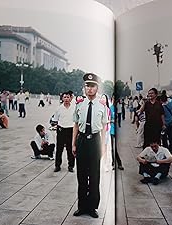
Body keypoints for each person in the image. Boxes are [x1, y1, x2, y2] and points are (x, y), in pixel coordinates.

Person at [72, 73, 108, 218]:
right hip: (81, 140)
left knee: (94, 175)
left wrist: (104, 146)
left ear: (97, 88)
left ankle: (92, 207)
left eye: (92, 86)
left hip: (95, 141)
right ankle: (82, 206)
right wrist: (73, 144)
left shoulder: (102, 105)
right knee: (81, 175)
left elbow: (104, 127)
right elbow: (75, 125)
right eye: (87, 86)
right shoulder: (79, 104)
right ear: (84, 88)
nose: (90, 89)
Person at [52, 91, 75, 172]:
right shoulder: (59, 108)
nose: (66, 99)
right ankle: (57, 165)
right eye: (64, 97)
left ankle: (71, 166)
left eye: (68, 97)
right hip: (61, 130)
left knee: (70, 149)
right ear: (62, 98)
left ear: (70, 98)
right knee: (59, 149)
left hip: (70, 130)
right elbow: (55, 120)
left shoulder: (74, 108)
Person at [110, 95, 124, 170]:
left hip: (116, 130)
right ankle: (114, 163)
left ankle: (118, 163)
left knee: (115, 148)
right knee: (112, 148)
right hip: (110, 130)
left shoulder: (118, 107)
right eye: (113, 98)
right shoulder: (110, 108)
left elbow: (118, 119)